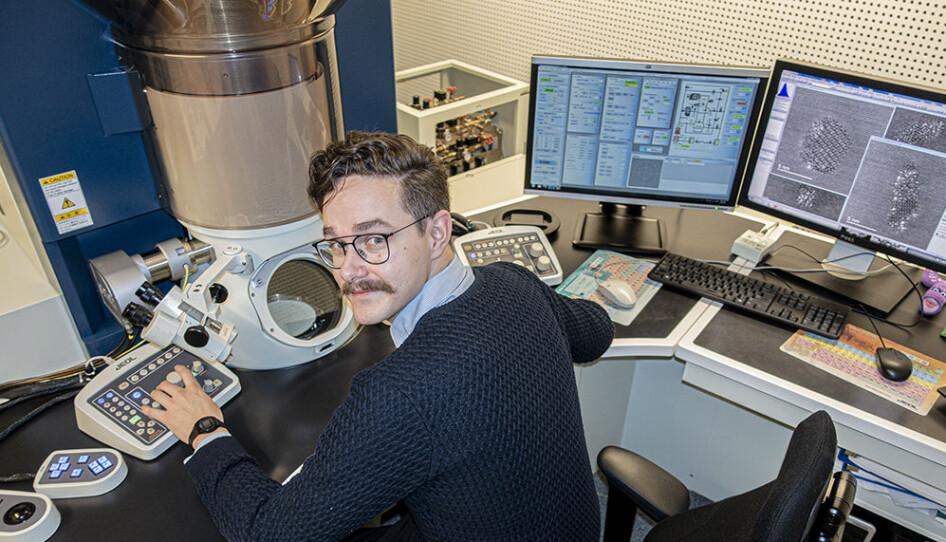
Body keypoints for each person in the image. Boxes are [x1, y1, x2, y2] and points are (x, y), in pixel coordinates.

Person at [141, 131, 614, 541]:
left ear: (437, 232)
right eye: (336, 244)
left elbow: (268, 533)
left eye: (374, 239)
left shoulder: (398, 395)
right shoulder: (515, 281)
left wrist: (206, 432)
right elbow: (596, 334)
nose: (348, 271)